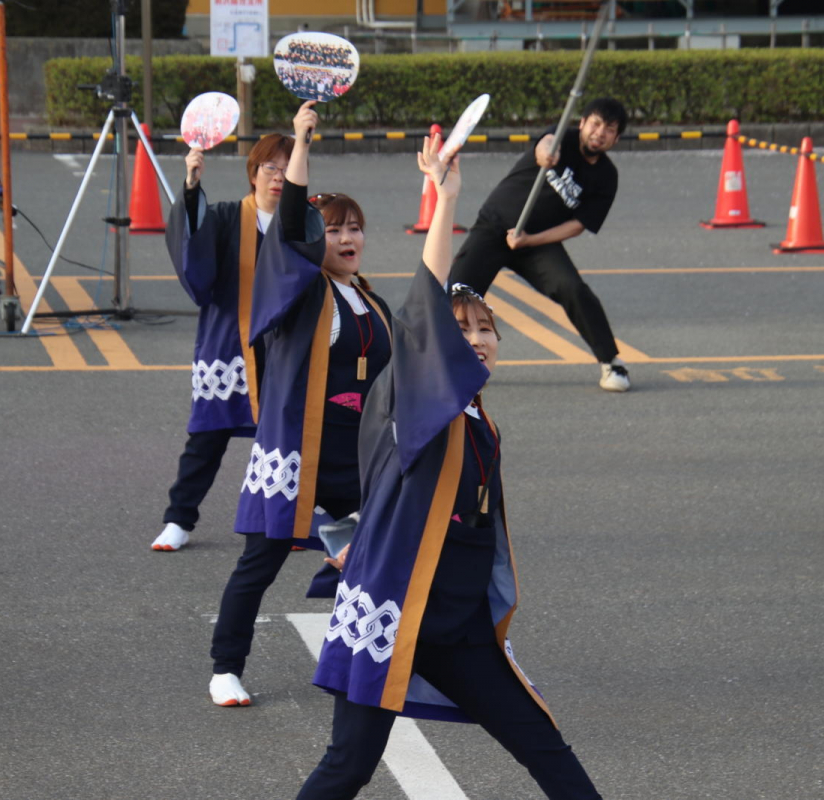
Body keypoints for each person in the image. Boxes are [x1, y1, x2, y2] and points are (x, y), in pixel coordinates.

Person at [296, 133, 602, 800]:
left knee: (544, 743)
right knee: (348, 765)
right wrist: (446, 199)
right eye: (460, 331)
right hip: (393, 614)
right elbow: (424, 310)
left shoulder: (476, 420)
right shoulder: (421, 402)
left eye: (486, 328)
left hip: (456, 627)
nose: (476, 339)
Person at [208, 101, 395, 706]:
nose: (346, 238)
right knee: (259, 563)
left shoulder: (371, 301)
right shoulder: (298, 293)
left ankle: (367, 660)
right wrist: (301, 141)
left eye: (354, 227)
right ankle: (224, 667)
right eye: (334, 229)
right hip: (298, 455)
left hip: (359, 461)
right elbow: (289, 227)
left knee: (385, 559)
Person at [152, 133, 293, 552]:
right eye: (271, 168)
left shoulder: (303, 224)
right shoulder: (228, 217)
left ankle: (296, 517)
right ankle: (179, 519)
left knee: (292, 436)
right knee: (207, 436)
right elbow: (196, 261)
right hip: (230, 343)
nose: (279, 178)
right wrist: (192, 188)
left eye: (288, 170)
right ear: (253, 173)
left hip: (286, 348)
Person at [449, 97, 631, 392]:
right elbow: (545, 145)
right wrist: (546, 154)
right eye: (595, 124)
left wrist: (529, 240)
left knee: (573, 288)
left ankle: (611, 362)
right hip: (494, 226)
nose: (600, 133)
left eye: (609, 129)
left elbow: (578, 225)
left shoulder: (607, 177)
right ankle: (438, 363)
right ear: (582, 123)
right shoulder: (562, 138)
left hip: (535, 243)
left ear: (616, 138)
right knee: (457, 293)